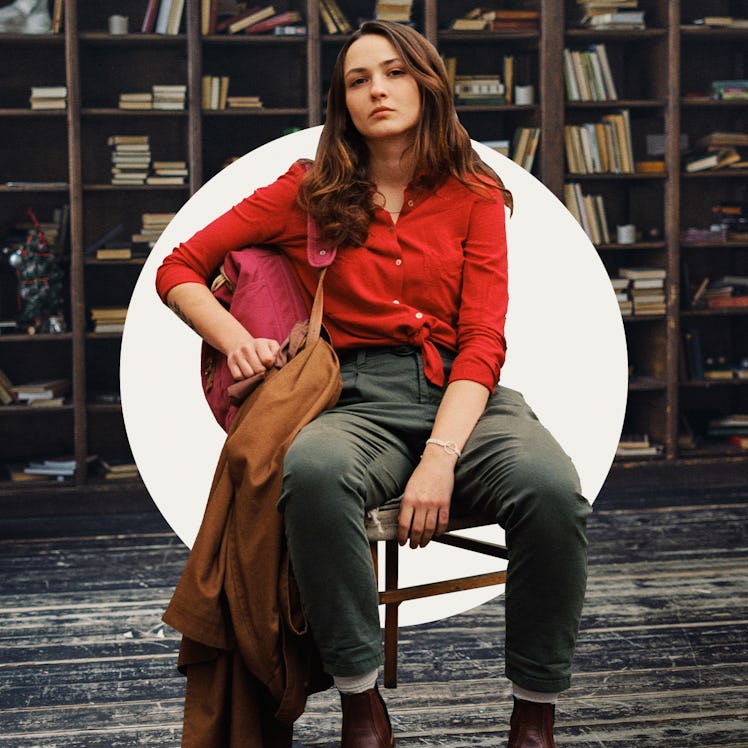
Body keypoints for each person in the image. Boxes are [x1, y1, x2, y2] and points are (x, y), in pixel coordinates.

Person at [156, 20, 591, 748]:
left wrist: (440, 458)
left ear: (426, 82)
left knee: (551, 489)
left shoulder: (475, 193)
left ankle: (534, 717)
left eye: (392, 72)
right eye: (358, 80)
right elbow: (179, 265)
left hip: (464, 395)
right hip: (354, 399)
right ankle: (362, 709)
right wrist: (234, 340)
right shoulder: (306, 190)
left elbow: (484, 340)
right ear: (342, 101)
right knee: (314, 468)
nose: (377, 90)